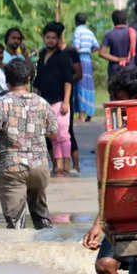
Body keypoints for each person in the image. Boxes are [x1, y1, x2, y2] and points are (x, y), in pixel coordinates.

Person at [82, 68, 137, 274]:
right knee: (105, 266)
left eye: (119, 96)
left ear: (136, 100)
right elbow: (109, 187)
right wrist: (99, 223)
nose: (114, 103)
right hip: (125, 219)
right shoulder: (113, 140)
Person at [0, 59, 58, 229]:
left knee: (16, 223)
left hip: (12, 168)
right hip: (39, 167)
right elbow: (54, 133)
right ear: (28, 80)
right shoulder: (42, 103)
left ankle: (18, 255)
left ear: (7, 81)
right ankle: (48, 249)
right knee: (42, 217)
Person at [34, 22, 73, 176]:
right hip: (44, 102)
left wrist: (66, 102)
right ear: (44, 38)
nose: (50, 40)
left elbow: (68, 81)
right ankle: (58, 165)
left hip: (59, 101)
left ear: (58, 40)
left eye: (53, 38)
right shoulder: (42, 55)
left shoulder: (63, 57)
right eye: (47, 37)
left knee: (64, 135)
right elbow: (38, 80)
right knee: (53, 135)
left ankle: (67, 165)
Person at [57, 22, 82, 175]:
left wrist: (66, 81)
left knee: (68, 132)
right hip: (50, 97)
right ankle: (59, 166)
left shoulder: (71, 52)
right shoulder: (46, 53)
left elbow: (79, 74)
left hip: (66, 97)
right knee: (53, 134)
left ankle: (76, 165)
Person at [71, 13, 100, 122]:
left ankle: (81, 115)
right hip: (88, 59)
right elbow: (96, 46)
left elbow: (76, 48)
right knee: (88, 86)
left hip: (80, 59)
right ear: (85, 21)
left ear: (76, 21)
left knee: (80, 86)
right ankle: (89, 113)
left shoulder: (77, 31)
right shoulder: (89, 32)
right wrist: (89, 51)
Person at [100, 10, 137, 78]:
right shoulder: (133, 33)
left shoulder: (109, 35)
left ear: (113, 21)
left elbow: (102, 53)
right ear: (126, 20)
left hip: (114, 70)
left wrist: (118, 59)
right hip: (130, 69)